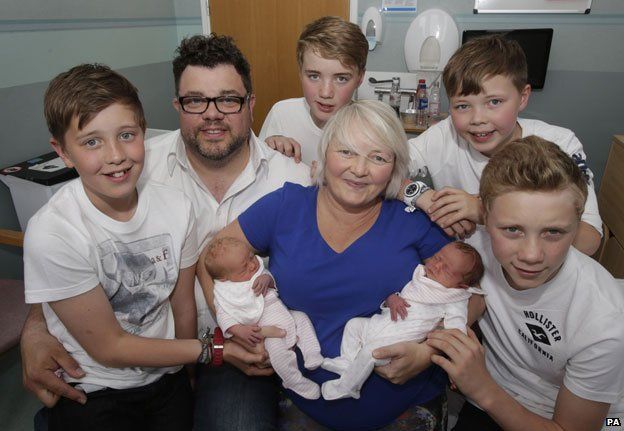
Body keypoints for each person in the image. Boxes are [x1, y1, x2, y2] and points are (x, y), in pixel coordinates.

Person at [20, 35, 311, 431]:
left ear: (250, 105)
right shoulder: (132, 168)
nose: (212, 114)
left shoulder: (291, 179)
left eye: (228, 99)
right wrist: (34, 330)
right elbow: (68, 268)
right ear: (177, 106)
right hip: (165, 353)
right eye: (195, 101)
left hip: (244, 343)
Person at [198, 100, 454, 430]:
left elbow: (471, 295)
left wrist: (427, 352)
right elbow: (210, 259)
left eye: (377, 157)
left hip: (406, 400)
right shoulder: (286, 206)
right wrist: (232, 325)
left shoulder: (412, 220)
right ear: (324, 153)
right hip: (306, 399)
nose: (359, 169)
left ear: (394, 167)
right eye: (346, 152)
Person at [24, 63, 210, 430]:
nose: (115, 155)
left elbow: (182, 303)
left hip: (165, 374)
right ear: (62, 151)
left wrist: (188, 372)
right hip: (95, 386)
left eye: (127, 135)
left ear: (144, 131)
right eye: (92, 141)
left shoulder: (177, 207)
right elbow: (108, 347)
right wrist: (208, 351)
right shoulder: (53, 231)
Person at [426, 136, 624, 431]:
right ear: (485, 217)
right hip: (495, 394)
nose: (531, 255)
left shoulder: (605, 324)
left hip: (593, 419)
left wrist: (480, 387)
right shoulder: (473, 248)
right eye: (512, 230)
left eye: (553, 232)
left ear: (577, 226)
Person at [403, 34, 602, 255]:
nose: (478, 118)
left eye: (494, 102)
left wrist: (485, 211)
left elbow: (589, 240)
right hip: (469, 275)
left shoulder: (561, 144)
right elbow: (383, 168)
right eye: (462, 106)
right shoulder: (444, 135)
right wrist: (422, 195)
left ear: (523, 97)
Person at [321, 241, 484, 401]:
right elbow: (403, 294)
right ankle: (347, 362)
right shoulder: (420, 274)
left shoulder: (454, 299)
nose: (437, 265)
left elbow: (456, 331)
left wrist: (453, 363)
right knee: (354, 325)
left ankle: (348, 387)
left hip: (397, 342)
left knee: (370, 352)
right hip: (380, 323)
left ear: (461, 286)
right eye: (437, 257)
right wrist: (392, 299)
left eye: (447, 271)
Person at [206, 237, 324, 399]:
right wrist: (238, 330)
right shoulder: (225, 294)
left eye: (251, 257)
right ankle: (293, 380)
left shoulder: (256, 272)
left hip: (285, 316)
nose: (253, 265)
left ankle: (312, 353)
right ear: (224, 279)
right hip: (265, 332)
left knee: (302, 318)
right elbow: (224, 316)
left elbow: (270, 280)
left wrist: (267, 279)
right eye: (244, 267)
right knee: (277, 353)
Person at [259, 16, 368, 165]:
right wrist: (270, 150)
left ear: (360, 78)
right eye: (314, 76)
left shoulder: (369, 129)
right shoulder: (282, 114)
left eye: (341, 78)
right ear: (300, 72)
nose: (325, 93)